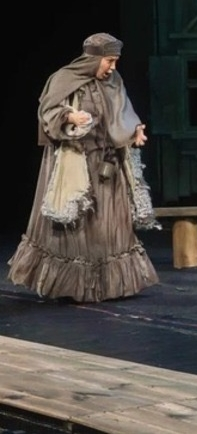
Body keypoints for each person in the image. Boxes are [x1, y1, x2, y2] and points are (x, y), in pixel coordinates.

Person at [7, 33, 160, 303]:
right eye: (109, 61)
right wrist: (69, 116)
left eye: (115, 61)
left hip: (108, 164)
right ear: (93, 59)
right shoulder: (64, 79)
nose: (112, 67)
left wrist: (135, 130)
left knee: (110, 225)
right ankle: (72, 287)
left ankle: (111, 287)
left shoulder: (114, 81)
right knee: (78, 229)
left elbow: (123, 114)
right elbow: (47, 113)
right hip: (76, 162)